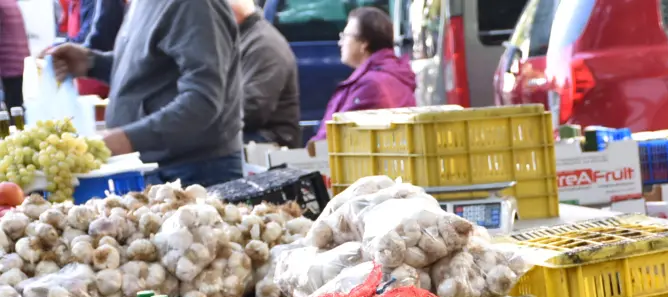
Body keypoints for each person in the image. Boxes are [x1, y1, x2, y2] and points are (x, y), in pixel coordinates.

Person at [46, 0, 244, 187]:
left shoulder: (195, 5)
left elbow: (203, 101)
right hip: (164, 169)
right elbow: (151, 68)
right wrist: (93, 63)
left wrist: (127, 139)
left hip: (194, 172)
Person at [311, 6, 414, 144]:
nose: (340, 42)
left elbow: (333, 140)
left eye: (345, 36)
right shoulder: (391, 74)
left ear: (364, 43)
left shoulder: (372, 85)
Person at [229, 0, 301, 149]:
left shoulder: (263, 45)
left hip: (271, 140)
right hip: (253, 134)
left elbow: (252, 109)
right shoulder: (242, 38)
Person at [0, 0, 27, 110]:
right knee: (16, 103)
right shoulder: (10, 2)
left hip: (8, 61)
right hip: (18, 58)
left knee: (13, 106)